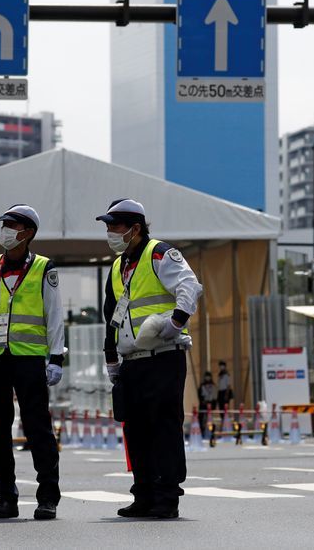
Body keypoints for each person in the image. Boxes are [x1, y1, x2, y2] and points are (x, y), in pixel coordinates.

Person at [99, 198, 203, 519]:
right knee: (136, 430)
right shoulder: (118, 265)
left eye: (115, 226)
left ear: (135, 228)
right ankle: (143, 494)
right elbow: (111, 316)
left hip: (163, 357)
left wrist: (176, 322)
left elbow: (190, 286)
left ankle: (166, 497)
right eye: (108, 227)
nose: (111, 232)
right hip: (132, 361)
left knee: (163, 427)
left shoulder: (159, 253)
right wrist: (112, 359)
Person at [0, 204, 64, 521]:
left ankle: (47, 496)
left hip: (29, 359)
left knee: (38, 429)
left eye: (12, 225)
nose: (5, 231)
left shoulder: (43, 268)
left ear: (28, 233)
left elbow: (55, 315)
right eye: (4, 225)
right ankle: (5, 497)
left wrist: (57, 357)